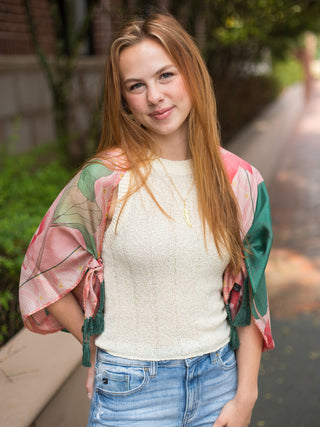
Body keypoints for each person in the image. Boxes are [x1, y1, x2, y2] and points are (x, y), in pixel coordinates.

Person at [19, 12, 274, 427]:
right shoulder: (103, 180)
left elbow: (251, 298)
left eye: (166, 75)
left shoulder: (240, 182)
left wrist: (246, 397)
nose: (155, 96)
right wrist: (95, 343)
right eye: (137, 86)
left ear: (191, 73)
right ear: (124, 100)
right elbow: (40, 272)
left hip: (218, 384)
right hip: (131, 392)